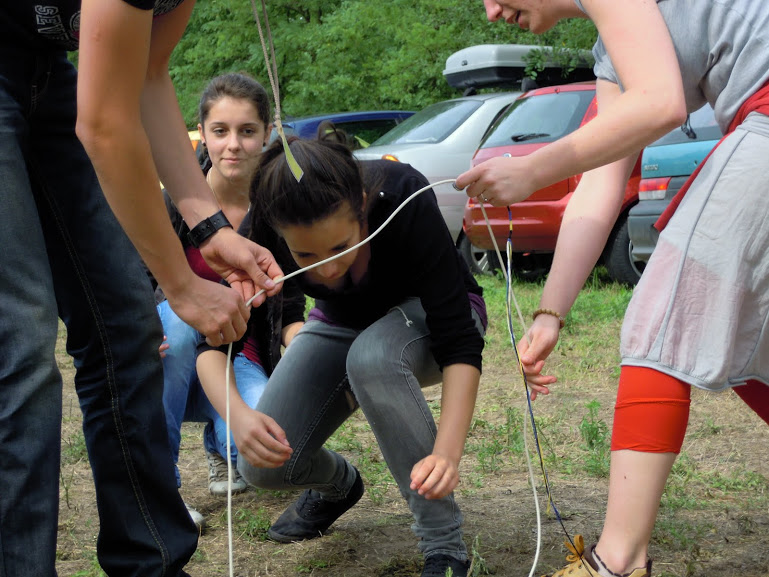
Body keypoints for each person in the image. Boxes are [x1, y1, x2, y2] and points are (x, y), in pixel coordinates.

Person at [456, 1, 769, 576]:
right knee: (756, 343)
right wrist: (550, 312)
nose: (492, 11)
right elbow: (599, 186)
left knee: (660, 318)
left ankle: (616, 564)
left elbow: (661, 103)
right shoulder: (613, 52)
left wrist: (532, 170)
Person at [1, 2, 282, 576]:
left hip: (48, 69)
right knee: (21, 341)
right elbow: (104, 126)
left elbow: (147, 77)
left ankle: (151, 565)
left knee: (128, 328)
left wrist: (211, 229)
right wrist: (182, 286)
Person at [196, 137, 488, 577]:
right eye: (305, 255)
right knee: (260, 465)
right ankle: (339, 486)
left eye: (340, 247)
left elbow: (459, 338)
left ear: (363, 205)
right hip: (342, 323)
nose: (328, 268)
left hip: (433, 317)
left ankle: (444, 548)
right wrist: (237, 417)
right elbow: (212, 345)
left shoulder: (401, 194)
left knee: (372, 358)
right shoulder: (263, 226)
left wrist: (446, 453)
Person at [155, 72, 300, 529]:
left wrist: (303, 343)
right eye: (220, 131)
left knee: (267, 451)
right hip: (173, 355)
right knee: (182, 327)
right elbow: (136, 282)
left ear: (267, 134)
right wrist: (144, 329)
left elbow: (291, 304)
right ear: (203, 133)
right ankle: (160, 491)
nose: (233, 144)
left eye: (247, 131)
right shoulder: (172, 204)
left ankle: (222, 448)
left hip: (241, 356)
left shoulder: (277, 209)